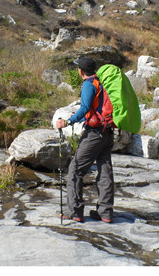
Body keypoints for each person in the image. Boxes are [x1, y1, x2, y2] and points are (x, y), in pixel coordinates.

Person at [55, 56, 114, 223]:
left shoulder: (89, 84)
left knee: (75, 169)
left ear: (80, 71)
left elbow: (85, 107)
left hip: (95, 133)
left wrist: (68, 121)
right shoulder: (102, 82)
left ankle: (75, 211)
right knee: (105, 171)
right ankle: (105, 212)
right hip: (108, 131)